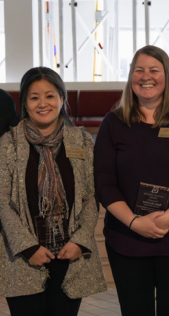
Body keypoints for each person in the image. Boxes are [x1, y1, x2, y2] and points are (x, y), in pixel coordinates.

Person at [94, 45, 169, 316]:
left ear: (166, 75)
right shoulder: (113, 123)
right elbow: (104, 183)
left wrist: (166, 219)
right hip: (126, 238)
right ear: (130, 76)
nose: (146, 76)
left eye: (154, 70)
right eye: (139, 70)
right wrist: (136, 223)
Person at [0, 67, 106, 315]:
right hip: (25, 257)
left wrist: (81, 240)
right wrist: (28, 248)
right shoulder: (9, 143)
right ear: (24, 103)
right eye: (34, 97)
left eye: (49, 95)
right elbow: (2, 201)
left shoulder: (81, 140)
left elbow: (91, 196)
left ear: (62, 98)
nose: (42, 103)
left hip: (70, 254)